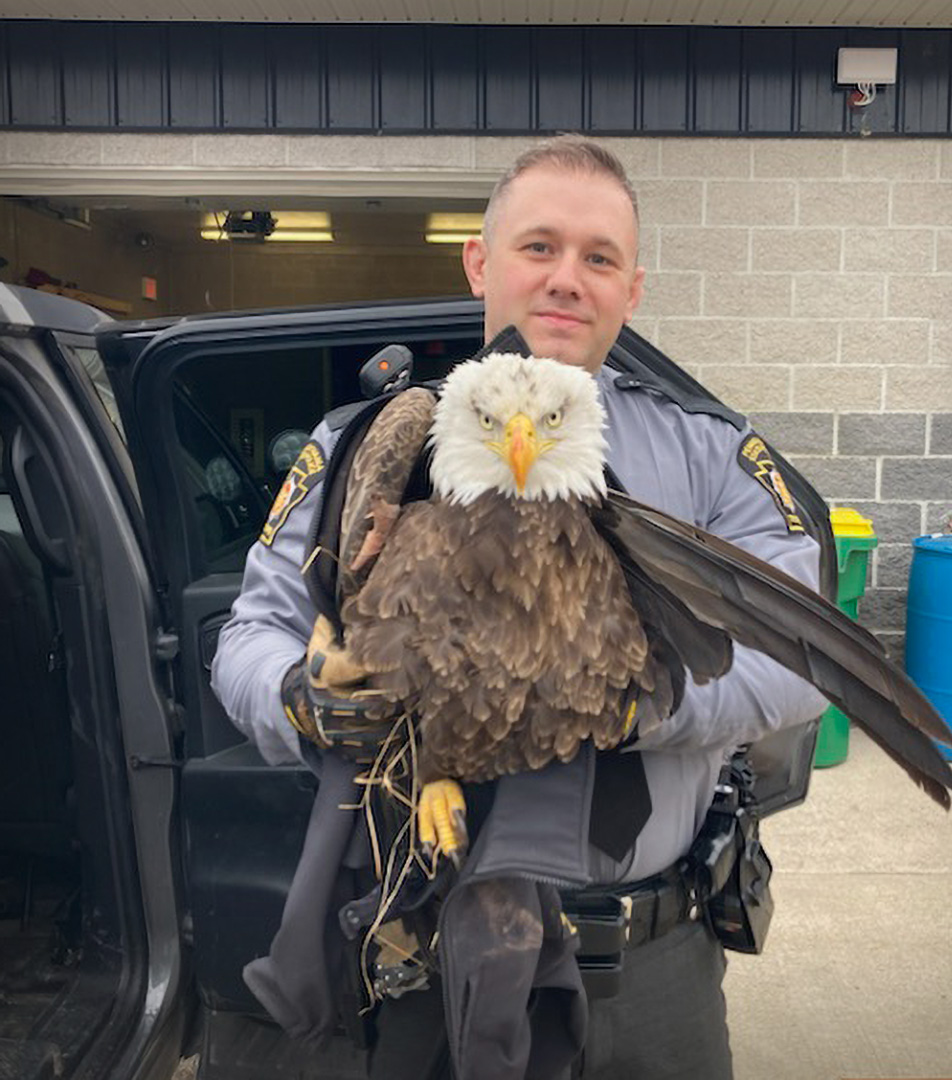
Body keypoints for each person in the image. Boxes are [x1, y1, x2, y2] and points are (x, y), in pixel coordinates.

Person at [212, 136, 827, 1079]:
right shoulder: (365, 440)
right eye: (539, 246)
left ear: (633, 288)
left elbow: (801, 660)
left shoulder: (712, 455)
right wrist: (301, 699)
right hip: (414, 948)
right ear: (480, 263)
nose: (566, 279)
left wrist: (645, 703)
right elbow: (247, 636)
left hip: (646, 960)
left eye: (600, 258)